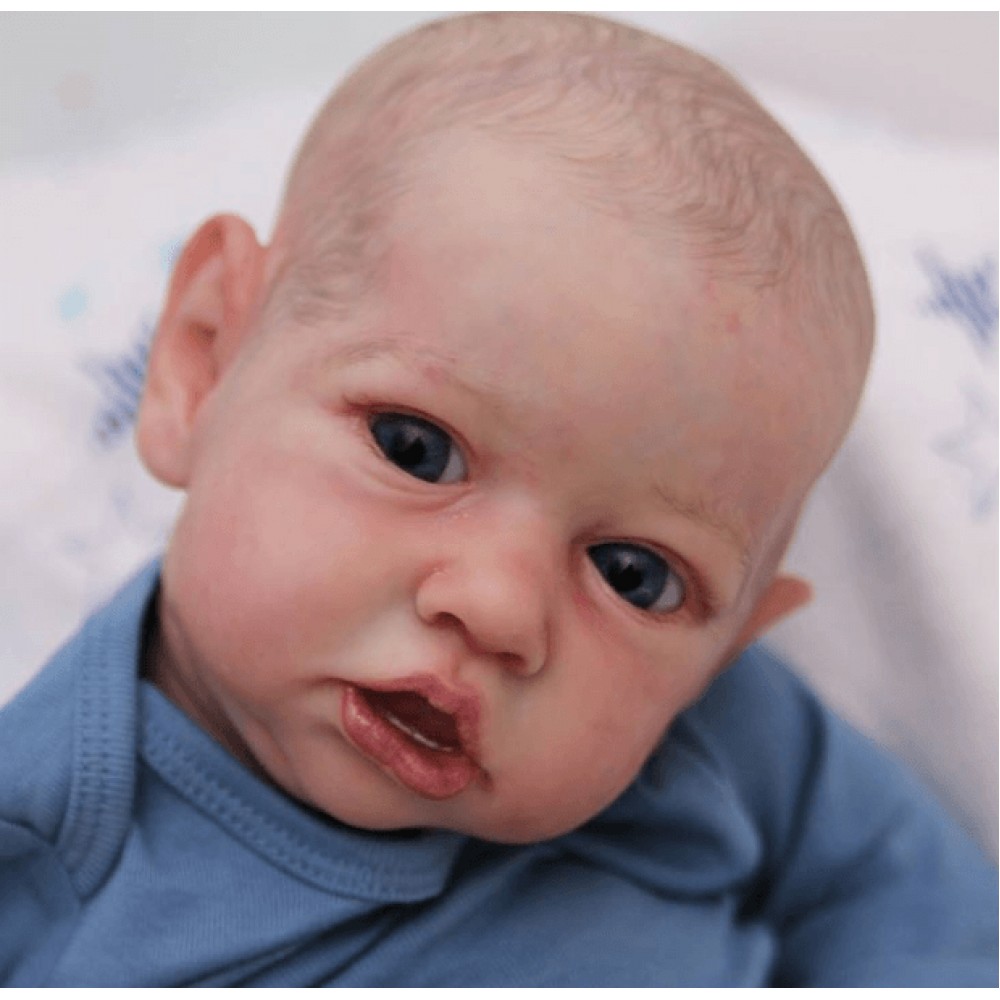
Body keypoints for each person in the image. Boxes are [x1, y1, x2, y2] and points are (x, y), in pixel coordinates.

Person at [0, 12, 994, 987]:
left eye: (633, 576)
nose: (499, 608)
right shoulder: (44, 835)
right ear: (206, 362)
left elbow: (907, 899)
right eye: (416, 449)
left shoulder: (719, 738)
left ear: (723, 649)